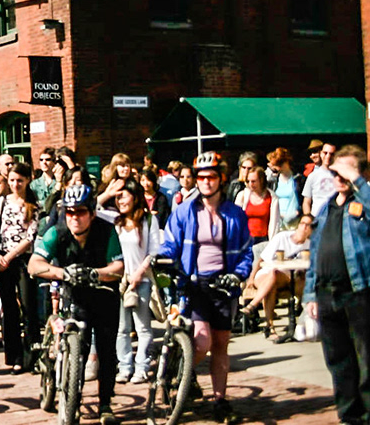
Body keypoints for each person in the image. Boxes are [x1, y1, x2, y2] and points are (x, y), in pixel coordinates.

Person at [155, 156, 250, 425]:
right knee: (202, 341)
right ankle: (180, 372)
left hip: (223, 285)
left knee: (221, 345)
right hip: (194, 284)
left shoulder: (234, 213)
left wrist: (238, 275)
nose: (206, 182)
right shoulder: (185, 211)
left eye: (211, 177)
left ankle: (220, 401)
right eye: (201, 177)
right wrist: (162, 258)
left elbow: (246, 251)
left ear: (221, 179)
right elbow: (171, 242)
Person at [29, 186, 126, 425]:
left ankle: (105, 403)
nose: (74, 217)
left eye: (80, 212)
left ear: (92, 213)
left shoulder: (106, 231)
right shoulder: (56, 232)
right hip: (74, 295)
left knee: (106, 351)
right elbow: (34, 264)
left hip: (104, 295)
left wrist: (96, 273)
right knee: (78, 348)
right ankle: (73, 398)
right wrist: (61, 273)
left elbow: (119, 267)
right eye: (69, 212)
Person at [305, 143, 370, 425]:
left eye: (346, 171)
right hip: (327, 293)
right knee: (338, 359)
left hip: (358, 291)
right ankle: (349, 415)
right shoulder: (326, 207)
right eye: (336, 171)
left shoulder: (364, 202)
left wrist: (358, 181)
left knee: (366, 357)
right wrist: (310, 294)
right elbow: (315, 252)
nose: (339, 177)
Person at [0, 164, 39, 374]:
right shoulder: (2, 202)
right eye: (11, 180)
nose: (15, 184)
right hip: (2, 259)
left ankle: (32, 356)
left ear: (28, 180)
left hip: (22, 260)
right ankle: (14, 356)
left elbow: (30, 236)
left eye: (20, 180)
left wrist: (10, 256)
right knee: (9, 309)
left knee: (28, 307)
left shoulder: (33, 204)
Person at [114, 181, 162, 383]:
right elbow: (95, 208)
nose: (120, 201)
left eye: (123, 196)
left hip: (141, 279)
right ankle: (124, 367)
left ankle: (142, 367)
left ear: (135, 197)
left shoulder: (148, 220)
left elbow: (153, 251)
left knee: (142, 327)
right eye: (117, 198)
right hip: (120, 281)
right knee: (122, 329)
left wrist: (139, 273)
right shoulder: (115, 222)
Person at [241, 212, 314, 342]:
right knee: (273, 276)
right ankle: (265, 321)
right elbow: (261, 260)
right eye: (302, 223)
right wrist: (251, 278)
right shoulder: (282, 237)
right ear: (298, 225)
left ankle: (256, 311)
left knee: (301, 283)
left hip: (289, 277)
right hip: (265, 273)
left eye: (308, 225)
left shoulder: (310, 244)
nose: (304, 227)